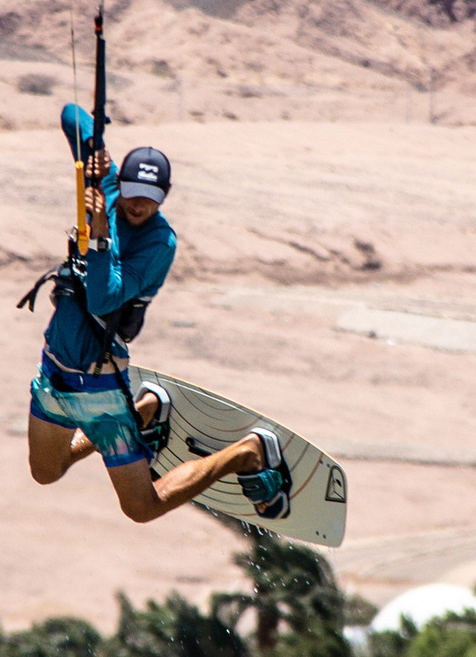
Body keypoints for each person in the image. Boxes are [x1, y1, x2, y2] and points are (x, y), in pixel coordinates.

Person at [26, 129, 290, 523]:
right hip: (54, 372)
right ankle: (148, 409)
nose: (138, 204)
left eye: (151, 197)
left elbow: (103, 298)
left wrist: (100, 233)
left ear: (165, 195)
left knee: (140, 507)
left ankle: (247, 452)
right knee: (46, 472)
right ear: (120, 182)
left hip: (101, 390)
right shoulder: (108, 188)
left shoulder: (159, 243)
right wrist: (95, 147)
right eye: (132, 191)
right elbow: (71, 114)